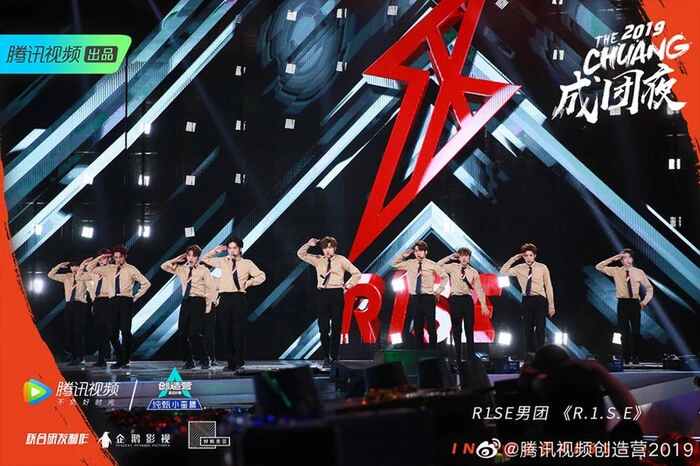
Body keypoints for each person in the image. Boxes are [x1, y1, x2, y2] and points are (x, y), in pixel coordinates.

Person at [201, 237, 265, 371]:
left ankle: (239, 360)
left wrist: (248, 283)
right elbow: (205, 259)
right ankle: (231, 362)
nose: (232, 251)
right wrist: (216, 250)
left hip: (238, 298)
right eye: (230, 248)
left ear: (240, 248)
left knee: (238, 331)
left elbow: (261, 276)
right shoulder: (223, 261)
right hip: (224, 298)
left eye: (234, 248)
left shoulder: (247, 263)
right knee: (225, 331)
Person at [297, 236, 362, 368]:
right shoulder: (318, 260)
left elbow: (357, 273)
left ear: (334, 248)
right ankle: (326, 357)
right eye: (325, 248)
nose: (327, 250)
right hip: (323, 294)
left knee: (337, 327)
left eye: (330, 248)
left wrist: (348, 286)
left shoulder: (341, 260)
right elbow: (301, 254)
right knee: (323, 328)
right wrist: (308, 245)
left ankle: (335, 356)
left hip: (337, 294)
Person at [87, 245, 151, 369]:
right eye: (115, 257)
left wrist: (137, 296)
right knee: (112, 333)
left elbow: (146, 283)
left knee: (126, 332)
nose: (118, 260)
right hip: (112, 301)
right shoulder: (109, 269)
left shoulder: (131, 269)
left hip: (126, 300)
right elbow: (90, 268)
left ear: (125, 256)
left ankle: (125, 360)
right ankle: (120, 358)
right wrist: (101, 257)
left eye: (120, 257)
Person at [161, 245, 217, 369]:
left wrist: (208, 307)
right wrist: (176, 259)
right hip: (186, 302)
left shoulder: (204, 270)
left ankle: (205, 358)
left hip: (199, 301)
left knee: (193, 333)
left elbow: (212, 289)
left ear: (198, 257)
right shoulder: (182, 269)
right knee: (181, 334)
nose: (191, 258)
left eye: (194, 256)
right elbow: (164, 266)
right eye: (189, 255)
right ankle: (189, 361)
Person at [595, 249, 654, 364]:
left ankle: (635, 356)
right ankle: (625, 357)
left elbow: (650, 288)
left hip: (634, 303)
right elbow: (599, 267)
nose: (627, 259)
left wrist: (644, 302)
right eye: (624, 257)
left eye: (629, 257)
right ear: (621, 261)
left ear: (632, 259)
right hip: (622, 304)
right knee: (624, 332)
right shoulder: (616, 271)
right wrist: (613, 258)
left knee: (636, 332)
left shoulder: (639, 272)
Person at [391, 240, 448, 350]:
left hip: (428, 298)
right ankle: (419, 352)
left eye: (421, 251)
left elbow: (445, 277)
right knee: (417, 327)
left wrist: (438, 291)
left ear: (425, 252)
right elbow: (393, 264)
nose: (418, 253)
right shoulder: (410, 263)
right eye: (416, 251)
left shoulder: (432, 264)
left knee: (431, 327)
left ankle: (432, 352)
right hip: (415, 298)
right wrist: (403, 255)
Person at [500, 243, 555, 354]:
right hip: (527, 300)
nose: (528, 258)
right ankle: (530, 353)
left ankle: (541, 353)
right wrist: (514, 259)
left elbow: (548, 286)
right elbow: (503, 272)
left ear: (535, 256)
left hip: (540, 299)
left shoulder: (542, 267)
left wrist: (551, 305)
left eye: (530, 255)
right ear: (523, 256)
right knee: (527, 329)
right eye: (526, 255)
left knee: (540, 328)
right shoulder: (519, 268)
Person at [437, 248, 489, 361]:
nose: (464, 258)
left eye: (466, 256)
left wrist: (483, 305)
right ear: (459, 257)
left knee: (469, 329)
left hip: (467, 300)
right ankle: (458, 357)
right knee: (457, 329)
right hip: (455, 299)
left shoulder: (473, 272)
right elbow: (437, 266)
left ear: (469, 258)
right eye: (462, 256)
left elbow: (479, 289)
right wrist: (449, 258)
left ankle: (470, 357)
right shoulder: (453, 267)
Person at [48, 258, 89, 366]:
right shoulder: (66, 276)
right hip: (69, 305)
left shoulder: (84, 276)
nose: (74, 268)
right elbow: (51, 275)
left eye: (76, 266)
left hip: (80, 304)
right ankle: (74, 357)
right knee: (69, 332)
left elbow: (92, 286)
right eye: (72, 266)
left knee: (78, 332)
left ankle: (81, 357)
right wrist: (59, 265)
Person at [77, 249, 113, 367]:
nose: (101, 261)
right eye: (100, 258)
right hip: (98, 301)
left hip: (110, 300)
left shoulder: (112, 269)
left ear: (109, 258)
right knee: (98, 330)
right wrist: (82, 265)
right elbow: (79, 277)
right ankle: (102, 358)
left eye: (104, 258)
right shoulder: (95, 272)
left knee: (109, 329)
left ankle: (109, 350)